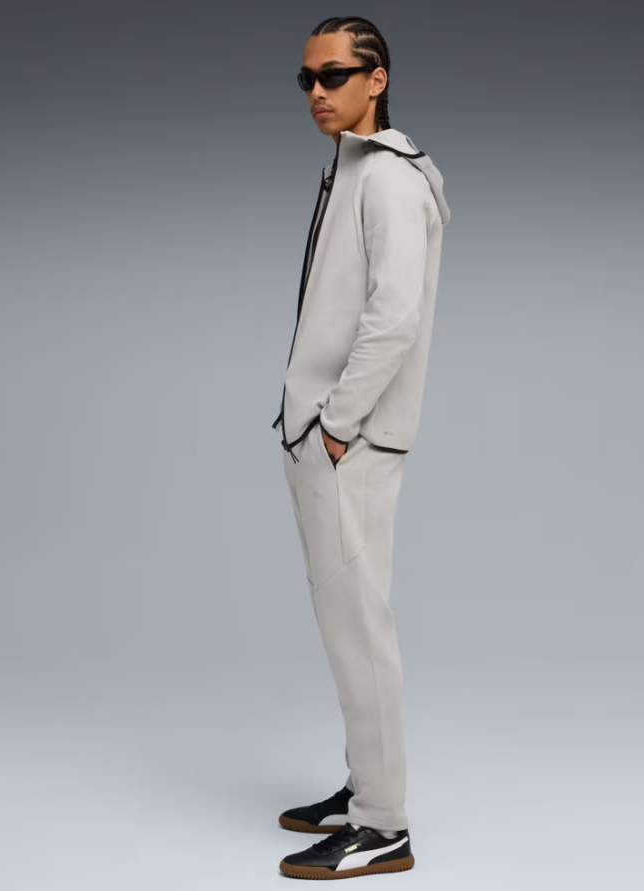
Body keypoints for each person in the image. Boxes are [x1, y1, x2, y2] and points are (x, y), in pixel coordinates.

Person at [271, 15, 450, 880]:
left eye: (334, 75)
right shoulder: (352, 168)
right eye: (306, 78)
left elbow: (393, 319)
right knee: (345, 624)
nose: (316, 91)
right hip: (326, 434)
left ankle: (382, 824)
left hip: (351, 441)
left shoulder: (387, 178)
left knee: (359, 630)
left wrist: (336, 425)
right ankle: (364, 786)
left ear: (376, 79)